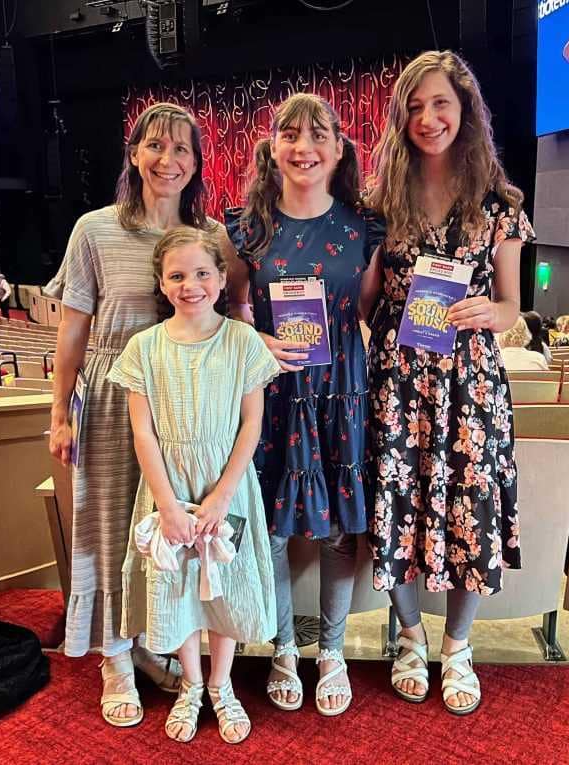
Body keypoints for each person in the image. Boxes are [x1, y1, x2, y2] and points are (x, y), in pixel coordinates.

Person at [362, 50, 534, 716]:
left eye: (440, 104)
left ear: (465, 111)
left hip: (470, 384)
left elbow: (515, 306)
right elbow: (366, 302)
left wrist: (493, 311)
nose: (428, 118)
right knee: (392, 511)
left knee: (473, 514)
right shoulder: (380, 202)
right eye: (414, 107)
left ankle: (457, 647)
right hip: (398, 383)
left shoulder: (499, 205)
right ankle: (409, 636)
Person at [45, 102, 212, 727]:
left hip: (181, 406)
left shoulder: (207, 236)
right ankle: (114, 657)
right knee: (111, 530)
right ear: (135, 153)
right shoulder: (94, 230)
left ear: (196, 163)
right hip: (115, 397)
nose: (167, 160)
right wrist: (59, 413)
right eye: (155, 146)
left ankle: (149, 643)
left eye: (181, 150)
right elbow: (73, 330)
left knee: (166, 534)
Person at [223, 92, 382, 717]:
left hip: (342, 389)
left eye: (318, 136)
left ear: (338, 149)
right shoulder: (248, 228)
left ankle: (333, 650)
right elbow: (229, 308)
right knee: (278, 527)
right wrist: (254, 336)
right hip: (276, 391)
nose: (304, 147)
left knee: (342, 524)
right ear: (273, 148)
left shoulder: (361, 226)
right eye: (290, 135)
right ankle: (287, 645)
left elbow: (369, 311)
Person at [108, 226, 279, 743]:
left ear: (221, 278)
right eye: (177, 275)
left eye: (202, 273)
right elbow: (144, 431)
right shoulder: (144, 348)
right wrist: (168, 506)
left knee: (222, 591)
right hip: (169, 491)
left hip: (227, 487)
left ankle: (223, 685)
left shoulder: (242, 341)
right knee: (178, 589)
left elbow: (252, 425)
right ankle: (191, 686)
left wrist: (222, 496)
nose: (191, 285)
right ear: (162, 283)